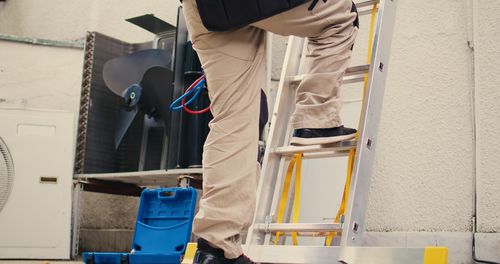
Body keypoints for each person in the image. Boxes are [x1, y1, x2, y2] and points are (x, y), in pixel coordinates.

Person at [181, 0, 359, 262]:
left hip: (203, 9)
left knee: (233, 119)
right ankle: (316, 116)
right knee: (342, 16)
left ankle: (217, 248)